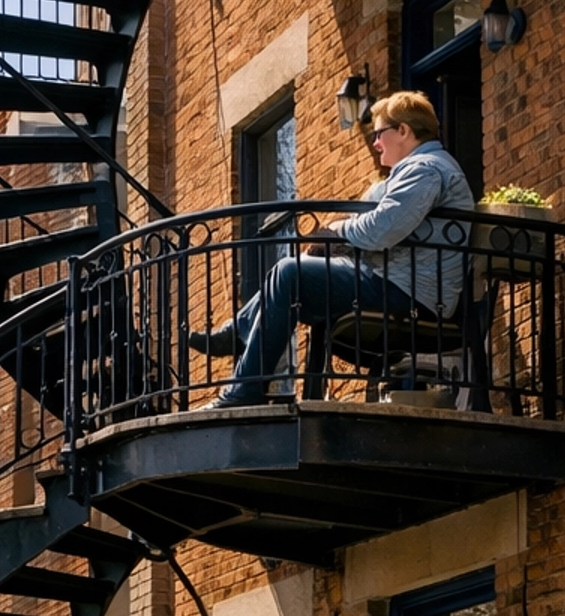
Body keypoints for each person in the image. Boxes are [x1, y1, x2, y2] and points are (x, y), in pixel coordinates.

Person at [192, 90, 475, 406]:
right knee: (293, 270)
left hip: (409, 293)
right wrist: (337, 244)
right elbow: (384, 228)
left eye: (379, 133)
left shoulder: (425, 168)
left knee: (289, 271)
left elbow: (383, 229)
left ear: (404, 131)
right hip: (393, 280)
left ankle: (243, 386)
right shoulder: (417, 169)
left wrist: (338, 230)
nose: (375, 142)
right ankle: (241, 335)